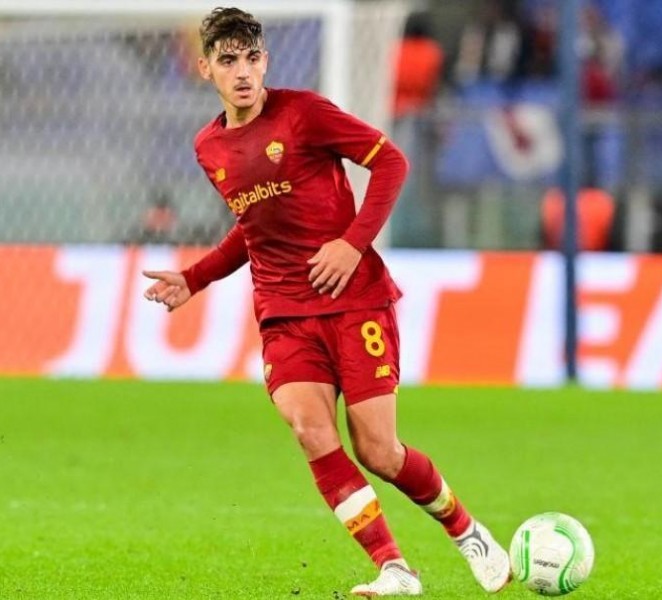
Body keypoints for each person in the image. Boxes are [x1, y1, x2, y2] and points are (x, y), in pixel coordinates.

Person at [141, 7, 510, 597]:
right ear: (206, 68)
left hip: (354, 299)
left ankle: (464, 530)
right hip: (284, 313)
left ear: (265, 62)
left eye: (251, 58)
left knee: (378, 450)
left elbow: (392, 161)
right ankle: (394, 568)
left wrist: (351, 242)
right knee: (310, 429)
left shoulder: (305, 114)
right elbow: (253, 227)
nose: (242, 72)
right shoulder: (208, 147)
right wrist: (197, 277)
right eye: (228, 60)